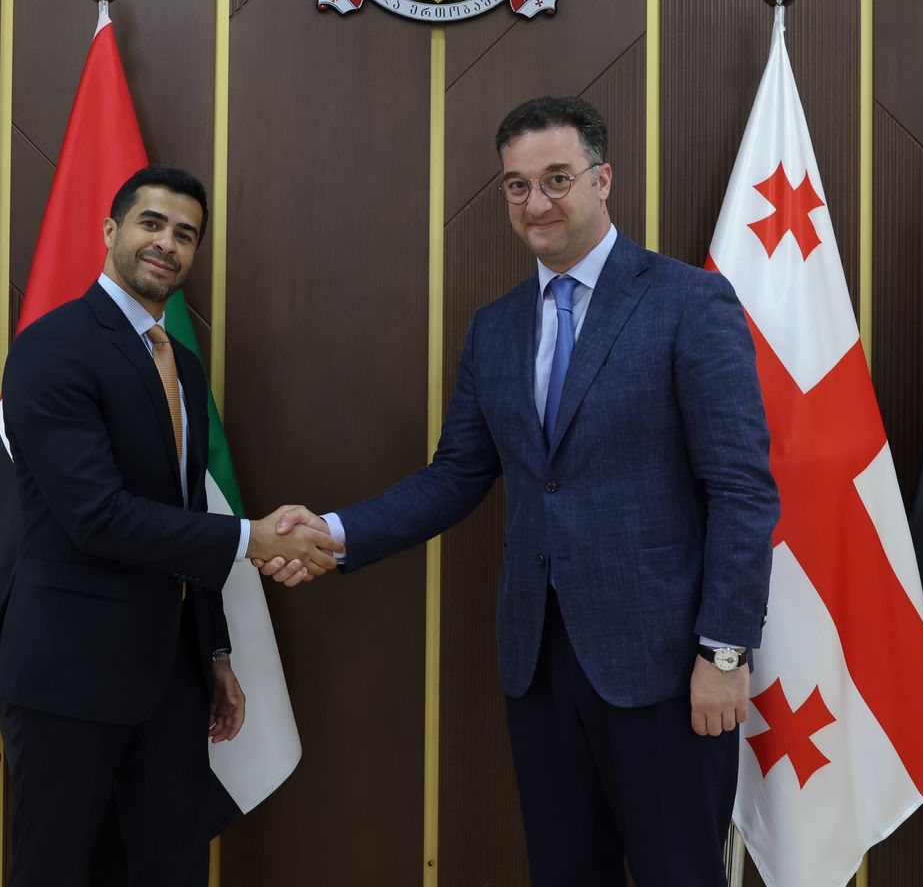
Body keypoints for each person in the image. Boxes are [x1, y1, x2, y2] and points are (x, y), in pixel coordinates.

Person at [257, 98, 779, 886]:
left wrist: (725, 652)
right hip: (539, 667)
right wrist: (334, 532)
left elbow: (741, 489)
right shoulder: (495, 329)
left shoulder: (688, 302)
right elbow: (455, 476)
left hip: (669, 670)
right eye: (516, 185)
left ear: (603, 180)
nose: (536, 203)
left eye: (557, 179)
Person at [0, 165, 342, 887]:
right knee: (57, 872)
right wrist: (253, 539)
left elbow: (185, 511)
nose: (167, 243)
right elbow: (96, 517)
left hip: (171, 676)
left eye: (186, 234)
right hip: (67, 673)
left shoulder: (184, 367)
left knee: (172, 868)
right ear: (111, 231)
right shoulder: (52, 348)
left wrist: (215, 652)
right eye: (152, 223)